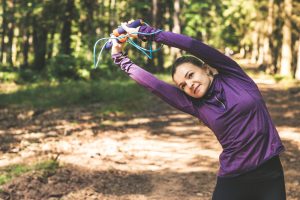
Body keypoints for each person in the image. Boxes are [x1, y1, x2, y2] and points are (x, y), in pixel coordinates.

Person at [111, 22, 286, 200]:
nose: (189, 85)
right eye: (182, 85)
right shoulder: (196, 105)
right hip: (234, 178)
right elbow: (155, 86)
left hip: (269, 173)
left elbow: (191, 45)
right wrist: (119, 58)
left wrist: (147, 33)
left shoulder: (235, 76)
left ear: (205, 68)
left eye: (190, 75)